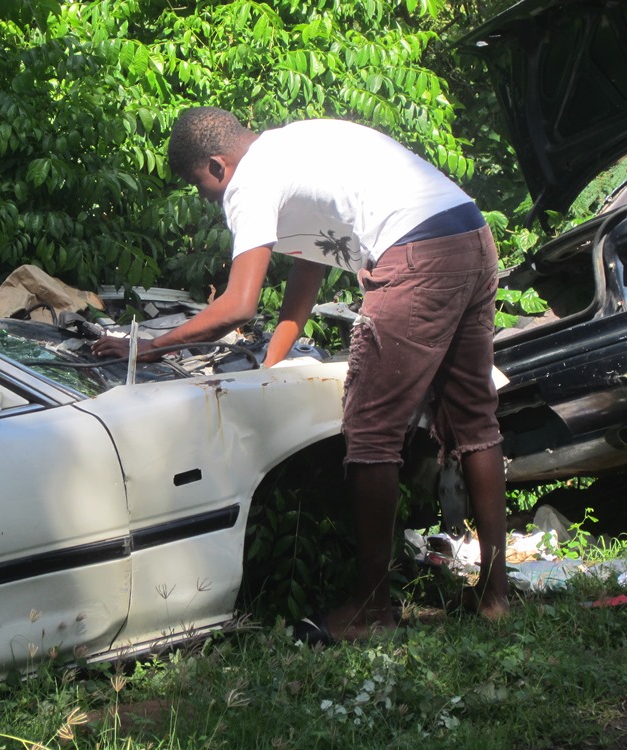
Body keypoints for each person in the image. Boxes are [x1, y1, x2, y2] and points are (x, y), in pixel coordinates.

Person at [93, 107, 509, 642]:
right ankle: (495, 596)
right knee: (474, 417)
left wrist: (150, 346)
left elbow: (240, 305)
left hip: (418, 255)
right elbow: (306, 276)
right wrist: (268, 366)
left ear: (218, 167)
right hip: (470, 235)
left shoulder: (248, 182)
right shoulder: (295, 149)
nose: (210, 200)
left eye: (203, 188)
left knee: (371, 431)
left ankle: (370, 608)